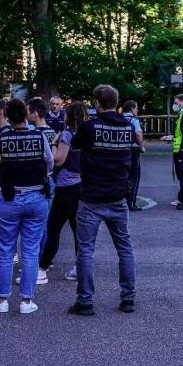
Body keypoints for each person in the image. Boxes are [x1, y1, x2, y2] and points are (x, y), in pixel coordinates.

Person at [67, 84, 137, 316]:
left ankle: (85, 301)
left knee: (85, 250)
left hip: (92, 198)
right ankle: (128, 298)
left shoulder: (89, 127)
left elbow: (74, 146)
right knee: (125, 248)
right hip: (118, 197)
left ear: (97, 103)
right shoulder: (127, 126)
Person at [0, 98, 52, 314]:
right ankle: (26, 301)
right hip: (36, 197)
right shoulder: (39, 136)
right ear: (26, 115)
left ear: (7, 115)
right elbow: (49, 162)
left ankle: (2, 300)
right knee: (30, 251)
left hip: (9, 197)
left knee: (5, 251)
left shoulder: (2, 138)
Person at [38, 102, 87, 283]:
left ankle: (42, 268)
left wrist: (53, 144)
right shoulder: (85, 134)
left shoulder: (67, 134)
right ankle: (79, 267)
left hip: (66, 185)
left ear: (70, 116)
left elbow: (58, 161)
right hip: (81, 183)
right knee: (77, 228)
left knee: (54, 228)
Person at [121, 100, 145, 211]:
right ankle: (131, 203)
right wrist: (142, 147)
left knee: (122, 176)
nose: (137, 110)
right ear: (131, 108)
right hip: (132, 150)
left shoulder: (118, 118)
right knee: (134, 176)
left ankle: (121, 202)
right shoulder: (134, 120)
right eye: (136, 108)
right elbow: (138, 134)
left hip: (120, 150)